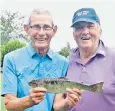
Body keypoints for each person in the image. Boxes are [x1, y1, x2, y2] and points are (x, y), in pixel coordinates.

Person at [1, 9, 81, 111]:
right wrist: (29, 101)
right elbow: (9, 104)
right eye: (36, 27)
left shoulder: (63, 62)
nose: (41, 33)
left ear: (54, 30)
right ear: (27, 29)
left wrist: (67, 102)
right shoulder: (11, 59)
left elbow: (57, 106)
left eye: (46, 27)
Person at [65, 8, 115, 111]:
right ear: (74, 34)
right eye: (79, 27)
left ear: (100, 31)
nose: (85, 32)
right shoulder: (66, 62)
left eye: (90, 26)